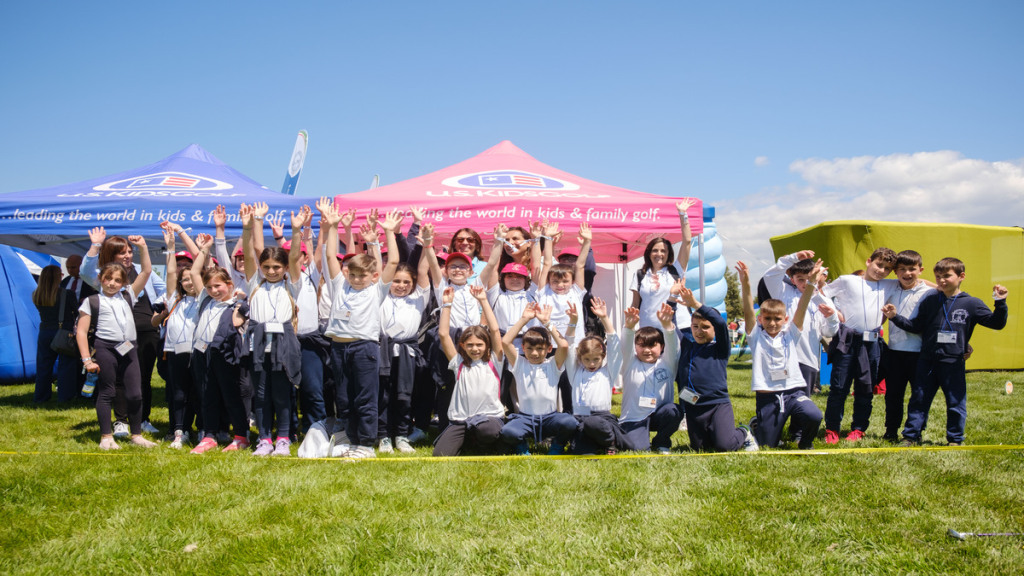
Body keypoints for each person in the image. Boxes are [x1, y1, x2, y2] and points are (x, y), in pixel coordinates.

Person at [883, 257, 1009, 446]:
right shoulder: (930, 300)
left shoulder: (971, 303)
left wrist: (1000, 303)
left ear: (961, 276)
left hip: (953, 361)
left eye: (947, 276)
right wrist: (894, 317)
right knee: (919, 399)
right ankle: (911, 436)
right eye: (938, 276)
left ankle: (955, 439)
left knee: (955, 402)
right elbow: (916, 326)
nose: (942, 280)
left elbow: (997, 323)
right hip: (927, 360)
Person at [318, 199, 387, 459]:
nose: (357, 279)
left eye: (363, 275)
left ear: (373, 277)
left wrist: (380, 241)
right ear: (347, 273)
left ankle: (367, 445)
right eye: (353, 274)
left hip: (364, 347)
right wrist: (332, 227)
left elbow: (387, 266)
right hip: (338, 346)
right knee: (344, 398)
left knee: (365, 398)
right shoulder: (339, 285)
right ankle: (347, 439)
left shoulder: (376, 290)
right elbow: (329, 256)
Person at [82, 227, 166, 437]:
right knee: (110, 387)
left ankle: (138, 428)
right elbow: (85, 272)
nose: (112, 283)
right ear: (101, 279)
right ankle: (113, 428)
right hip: (106, 343)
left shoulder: (128, 292)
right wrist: (95, 245)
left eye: (130, 252)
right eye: (123, 252)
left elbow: (147, 272)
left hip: (136, 338)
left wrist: (144, 247)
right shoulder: (97, 290)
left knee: (138, 385)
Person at [738, 260, 824, 449]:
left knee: (814, 414)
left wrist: (811, 283)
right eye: (767, 318)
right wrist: (746, 284)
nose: (772, 323)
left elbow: (801, 307)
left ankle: (805, 443)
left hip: (793, 392)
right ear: (760, 319)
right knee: (768, 445)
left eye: (778, 319)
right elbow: (747, 311)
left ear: (785, 319)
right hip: (768, 396)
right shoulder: (756, 337)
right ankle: (756, 426)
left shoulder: (790, 334)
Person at [242, 204, 306, 457]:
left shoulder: (292, 286)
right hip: (257, 347)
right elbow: (249, 255)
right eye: (266, 267)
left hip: (284, 347)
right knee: (261, 396)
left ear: (285, 269)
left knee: (282, 395)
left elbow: (294, 257)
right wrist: (250, 225)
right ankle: (264, 439)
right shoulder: (254, 284)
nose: (271, 271)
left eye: (276, 267)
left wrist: (297, 230)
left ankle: (283, 438)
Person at [821, 247, 897, 443]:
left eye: (887, 268)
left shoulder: (889, 285)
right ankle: (832, 429)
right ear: (868, 261)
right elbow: (822, 294)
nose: (881, 270)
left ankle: (859, 428)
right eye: (879, 265)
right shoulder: (848, 280)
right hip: (847, 340)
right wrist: (836, 313)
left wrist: (940, 288)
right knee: (839, 387)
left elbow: (918, 282)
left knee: (865, 388)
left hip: (871, 343)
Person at [675, 281, 758, 452]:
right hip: (693, 406)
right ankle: (717, 432)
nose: (699, 331)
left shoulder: (719, 349)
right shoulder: (686, 345)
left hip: (717, 404)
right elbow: (669, 323)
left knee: (725, 445)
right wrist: (672, 296)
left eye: (705, 327)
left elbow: (720, 323)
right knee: (700, 448)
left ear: (713, 330)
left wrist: (696, 304)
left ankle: (745, 432)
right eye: (695, 327)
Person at [188, 233, 250, 454]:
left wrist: (240, 302)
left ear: (229, 284)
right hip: (201, 354)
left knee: (231, 396)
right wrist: (205, 250)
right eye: (210, 287)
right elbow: (195, 271)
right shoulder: (204, 299)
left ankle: (241, 435)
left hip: (225, 355)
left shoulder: (238, 303)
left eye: (218, 286)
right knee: (207, 395)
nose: (214, 290)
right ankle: (210, 435)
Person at [377, 211, 431, 454]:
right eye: (396, 281)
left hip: (408, 351)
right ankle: (383, 436)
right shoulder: (381, 296)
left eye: (405, 282)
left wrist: (425, 244)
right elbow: (383, 267)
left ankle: (401, 435)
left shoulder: (419, 297)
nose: (400, 286)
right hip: (384, 351)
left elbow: (422, 269)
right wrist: (391, 233)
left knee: (404, 396)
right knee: (383, 395)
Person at [432, 285, 506, 456]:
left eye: (479, 344)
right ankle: (467, 442)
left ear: (487, 346)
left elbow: (494, 330)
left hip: (489, 418)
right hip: (461, 420)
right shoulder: (457, 362)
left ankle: (482, 444)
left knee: (487, 431)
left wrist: (483, 300)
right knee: (440, 456)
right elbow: (443, 334)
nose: (475, 349)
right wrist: (447, 305)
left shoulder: (495, 361)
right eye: (470, 345)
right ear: (463, 346)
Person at [499, 303, 578, 455]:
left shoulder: (553, 364)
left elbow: (563, 345)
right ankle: (522, 447)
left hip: (550, 418)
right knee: (508, 431)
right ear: (523, 348)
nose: (534, 353)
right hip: (525, 419)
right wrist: (523, 319)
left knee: (570, 423)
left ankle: (557, 445)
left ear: (549, 349)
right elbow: (505, 342)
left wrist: (547, 323)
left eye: (540, 349)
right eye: (529, 348)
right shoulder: (519, 364)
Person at [153, 223, 201, 449]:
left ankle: (202, 428)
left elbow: (200, 260)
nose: (189, 282)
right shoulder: (174, 300)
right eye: (185, 279)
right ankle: (179, 430)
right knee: (178, 393)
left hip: (198, 351)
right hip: (175, 352)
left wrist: (182, 232)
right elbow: (171, 271)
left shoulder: (204, 298)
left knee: (198, 392)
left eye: (193, 277)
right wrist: (170, 247)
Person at [878, 250, 932, 440]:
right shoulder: (891, 288)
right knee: (893, 395)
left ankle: (914, 432)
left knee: (918, 396)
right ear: (895, 271)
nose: (907, 274)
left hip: (919, 354)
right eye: (902, 269)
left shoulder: (930, 292)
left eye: (912, 269)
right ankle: (890, 431)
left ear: (921, 270)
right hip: (895, 352)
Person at [619, 303, 682, 453]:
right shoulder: (629, 362)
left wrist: (668, 326)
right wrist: (628, 328)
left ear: (661, 347)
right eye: (642, 346)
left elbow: (673, 346)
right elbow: (625, 346)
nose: (647, 350)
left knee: (674, 410)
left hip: (660, 414)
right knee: (638, 449)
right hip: (634, 418)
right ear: (636, 347)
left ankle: (662, 441)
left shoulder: (667, 362)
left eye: (652, 346)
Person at [565, 297, 624, 455]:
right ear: (580, 358)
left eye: (596, 359)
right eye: (587, 360)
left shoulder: (607, 372)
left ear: (603, 357)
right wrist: (573, 322)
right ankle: (593, 444)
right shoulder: (575, 371)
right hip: (580, 417)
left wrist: (604, 318)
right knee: (582, 452)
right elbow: (569, 346)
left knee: (595, 423)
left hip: (602, 418)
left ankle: (610, 441)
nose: (591, 363)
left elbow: (615, 348)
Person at [629, 200, 696, 330]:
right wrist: (629, 326)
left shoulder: (676, 269)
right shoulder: (640, 275)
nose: (659, 254)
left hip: (678, 327)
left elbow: (687, 241)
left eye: (663, 251)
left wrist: (683, 214)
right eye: (655, 250)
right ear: (649, 253)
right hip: (650, 330)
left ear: (668, 254)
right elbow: (635, 304)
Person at [33, 265, 80, 403]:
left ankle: (41, 397)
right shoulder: (67, 294)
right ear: (57, 277)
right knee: (66, 365)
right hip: (63, 331)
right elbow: (76, 313)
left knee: (43, 366)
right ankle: (65, 397)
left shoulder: (37, 294)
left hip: (44, 331)